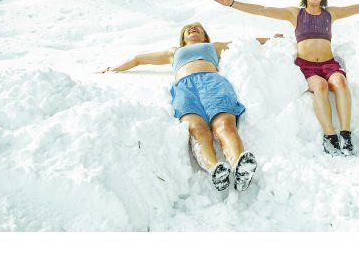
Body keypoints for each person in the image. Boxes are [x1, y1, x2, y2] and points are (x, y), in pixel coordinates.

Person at [212, 0, 359, 156]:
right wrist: (231, 3)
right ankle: (330, 136)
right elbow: (263, 10)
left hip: (329, 64)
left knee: (340, 81)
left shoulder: (330, 13)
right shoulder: (294, 13)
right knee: (321, 87)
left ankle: (346, 134)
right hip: (307, 67)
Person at [99, 22, 273, 192]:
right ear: (182, 38)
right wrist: (113, 68)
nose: (193, 28)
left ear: (205, 35)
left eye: (198, 27)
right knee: (197, 128)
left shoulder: (213, 46)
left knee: (225, 124)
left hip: (212, 82)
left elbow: (245, 42)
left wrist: (271, 38)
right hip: (184, 88)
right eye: (188, 28)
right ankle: (215, 170)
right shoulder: (173, 52)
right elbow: (139, 59)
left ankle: (239, 166)